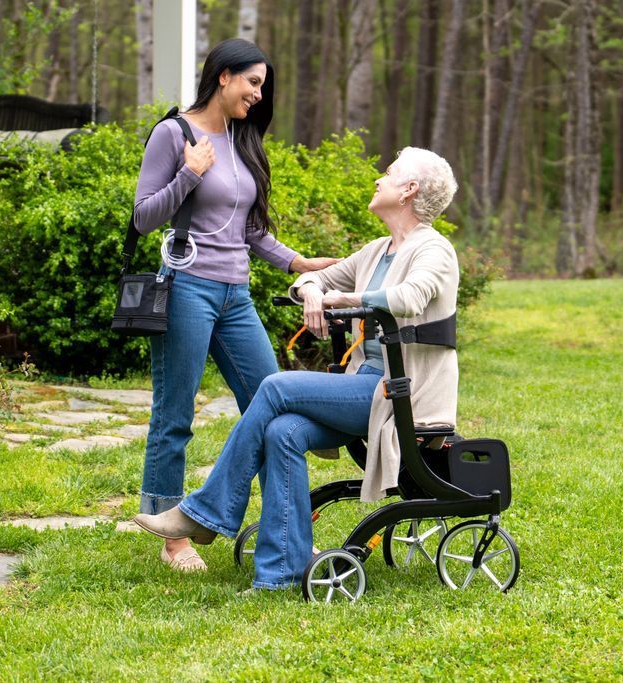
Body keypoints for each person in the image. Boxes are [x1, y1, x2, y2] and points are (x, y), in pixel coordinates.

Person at [133, 147, 460, 591]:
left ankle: (206, 513)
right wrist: (310, 290)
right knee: (282, 431)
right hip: (365, 385)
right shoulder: (378, 250)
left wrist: (340, 301)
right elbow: (315, 278)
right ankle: (280, 574)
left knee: (275, 387)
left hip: (401, 392)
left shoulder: (434, 250)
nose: (379, 178)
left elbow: (411, 296)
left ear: (409, 190)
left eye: (389, 172)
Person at [133, 38, 335, 572]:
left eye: (262, 85)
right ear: (223, 76)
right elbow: (144, 217)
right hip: (187, 289)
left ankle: (289, 533)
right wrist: (189, 174)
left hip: (236, 296)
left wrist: (298, 263)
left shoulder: (244, 140)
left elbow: (250, 232)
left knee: (279, 409)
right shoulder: (173, 134)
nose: (258, 93)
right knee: (174, 414)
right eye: (253, 82)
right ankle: (171, 534)